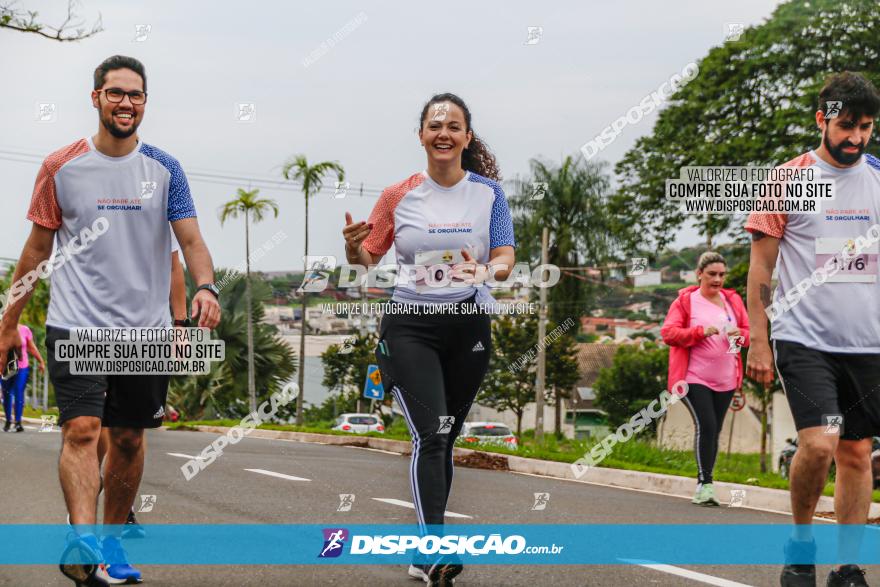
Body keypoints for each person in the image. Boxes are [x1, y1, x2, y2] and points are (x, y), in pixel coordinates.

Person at [0, 55, 221, 586]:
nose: (126, 103)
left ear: (145, 102)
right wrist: (9, 322)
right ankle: (84, 547)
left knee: (126, 440)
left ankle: (113, 544)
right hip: (75, 323)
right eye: (116, 93)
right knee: (81, 429)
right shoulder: (60, 166)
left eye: (136, 95)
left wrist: (206, 287)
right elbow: (35, 248)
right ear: (95, 97)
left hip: (143, 330)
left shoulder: (166, 168)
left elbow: (190, 240)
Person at [342, 92, 515, 586]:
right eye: (434, 125)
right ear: (421, 135)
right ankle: (434, 550)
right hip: (410, 327)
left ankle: (424, 551)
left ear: (466, 137)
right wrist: (352, 248)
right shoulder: (399, 195)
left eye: (454, 126)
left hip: (468, 327)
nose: (444, 133)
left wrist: (487, 268)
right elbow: (367, 258)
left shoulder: (488, 194)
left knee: (447, 438)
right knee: (433, 434)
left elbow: (505, 255)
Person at [745, 71, 880, 587]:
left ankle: (847, 567)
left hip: (867, 343)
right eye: (847, 125)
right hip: (803, 338)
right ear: (822, 119)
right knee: (821, 444)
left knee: (856, 451)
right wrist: (759, 338)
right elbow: (761, 268)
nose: (857, 138)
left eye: (866, 127)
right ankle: (801, 544)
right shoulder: (787, 180)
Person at [661, 252, 749, 506]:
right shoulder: (686, 302)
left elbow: (748, 334)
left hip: (726, 379)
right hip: (693, 378)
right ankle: (704, 485)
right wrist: (699, 332)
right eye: (712, 274)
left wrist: (739, 335)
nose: (718, 279)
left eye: (722, 274)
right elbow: (668, 333)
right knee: (707, 426)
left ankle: (707, 483)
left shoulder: (732, 300)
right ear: (699, 274)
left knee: (715, 430)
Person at [1, 323, 46, 432]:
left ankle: (18, 422)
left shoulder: (25, 330)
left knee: (19, 391)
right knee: (7, 394)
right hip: (6, 367)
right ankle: (8, 420)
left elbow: (31, 347)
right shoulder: (2, 329)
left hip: (22, 366)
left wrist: (41, 361)